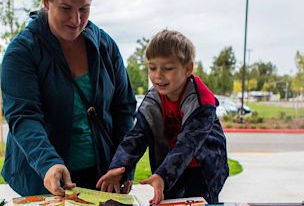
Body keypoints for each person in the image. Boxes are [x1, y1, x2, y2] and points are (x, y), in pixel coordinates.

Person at [0, 0, 136, 197]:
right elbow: (24, 117)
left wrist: (123, 164)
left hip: (101, 178)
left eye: (84, 8)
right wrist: (48, 164)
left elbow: (124, 108)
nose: (76, 19)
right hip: (44, 179)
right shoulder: (21, 52)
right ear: (46, 0)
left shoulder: (105, 45)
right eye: (66, 8)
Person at [96, 30, 229, 204]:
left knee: (197, 202)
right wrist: (119, 167)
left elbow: (188, 145)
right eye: (152, 68)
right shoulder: (154, 99)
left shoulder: (201, 102)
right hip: (171, 167)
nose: (158, 75)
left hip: (203, 171)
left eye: (167, 68)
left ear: (188, 68)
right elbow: (137, 136)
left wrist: (163, 175)